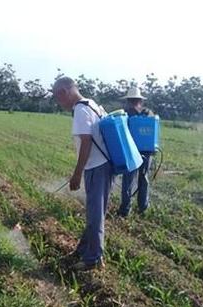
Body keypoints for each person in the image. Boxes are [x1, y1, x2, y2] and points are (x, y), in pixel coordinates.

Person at [52, 77, 113, 270]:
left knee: (95, 215)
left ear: (64, 92)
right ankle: (84, 248)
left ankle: (93, 259)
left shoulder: (79, 110)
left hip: (96, 167)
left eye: (57, 97)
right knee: (95, 211)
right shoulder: (92, 104)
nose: (58, 102)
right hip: (106, 164)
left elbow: (86, 142)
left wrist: (77, 174)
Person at [118, 87, 154, 217]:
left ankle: (125, 209)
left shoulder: (126, 114)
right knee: (143, 178)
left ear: (129, 100)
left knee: (128, 179)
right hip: (147, 151)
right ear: (140, 100)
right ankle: (143, 207)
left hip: (131, 151)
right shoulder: (149, 113)